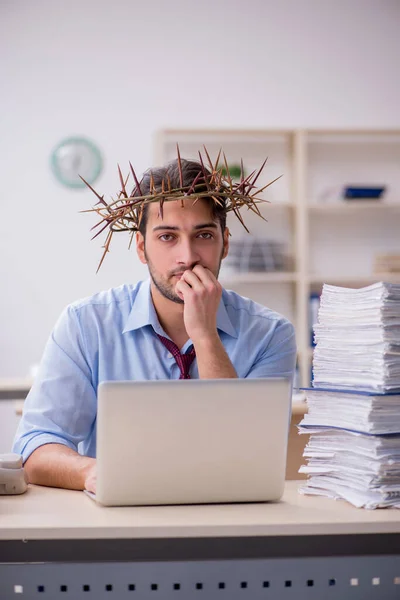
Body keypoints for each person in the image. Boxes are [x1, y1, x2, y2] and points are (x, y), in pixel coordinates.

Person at [13, 155, 297, 493]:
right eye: (167, 237)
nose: (187, 256)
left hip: (229, 517)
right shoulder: (85, 323)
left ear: (225, 244)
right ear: (141, 248)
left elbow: (250, 453)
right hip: (116, 521)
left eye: (204, 235)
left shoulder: (271, 334)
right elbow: (34, 445)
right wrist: (94, 472)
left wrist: (205, 336)